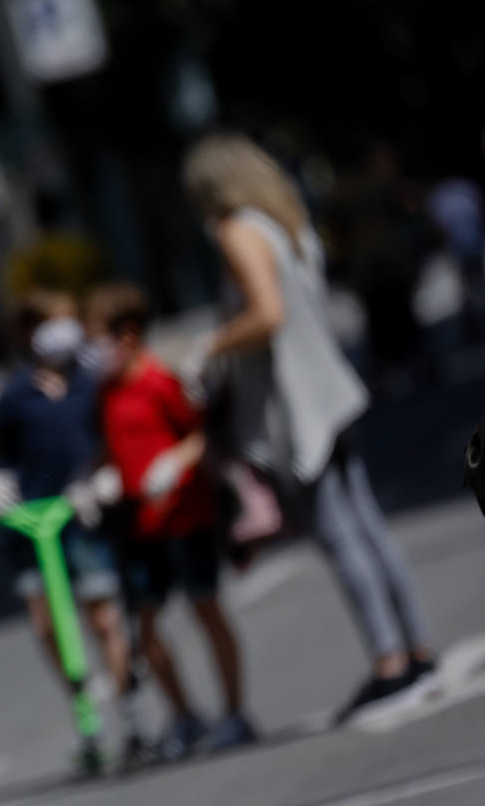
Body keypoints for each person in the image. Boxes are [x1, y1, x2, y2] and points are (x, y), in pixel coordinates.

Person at [183, 133, 438, 725]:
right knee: (368, 525)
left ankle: (389, 663)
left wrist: (210, 344)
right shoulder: (283, 221)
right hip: (328, 388)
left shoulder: (235, 232)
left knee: (340, 535)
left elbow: (265, 314)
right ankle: (417, 649)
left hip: (295, 407)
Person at [0, 289, 148, 774]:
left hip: (80, 515)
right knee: (51, 629)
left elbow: (114, 435)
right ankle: (88, 724)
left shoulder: (91, 384)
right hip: (32, 525)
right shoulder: (16, 393)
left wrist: (103, 476)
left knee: (105, 618)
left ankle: (133, 720)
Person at [87, 283, 257, 756]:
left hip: (185, 517)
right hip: (138, 526)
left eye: (98, 338)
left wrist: (176, 461)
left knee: (207, 609)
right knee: (144, 627)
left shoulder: (160, 381)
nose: (92, 351)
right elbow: (110, 447)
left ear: (128, 335)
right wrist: (95, 478)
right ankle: (185, 715)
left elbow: (202, 435)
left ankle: (236, 711)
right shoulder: (106, 392)